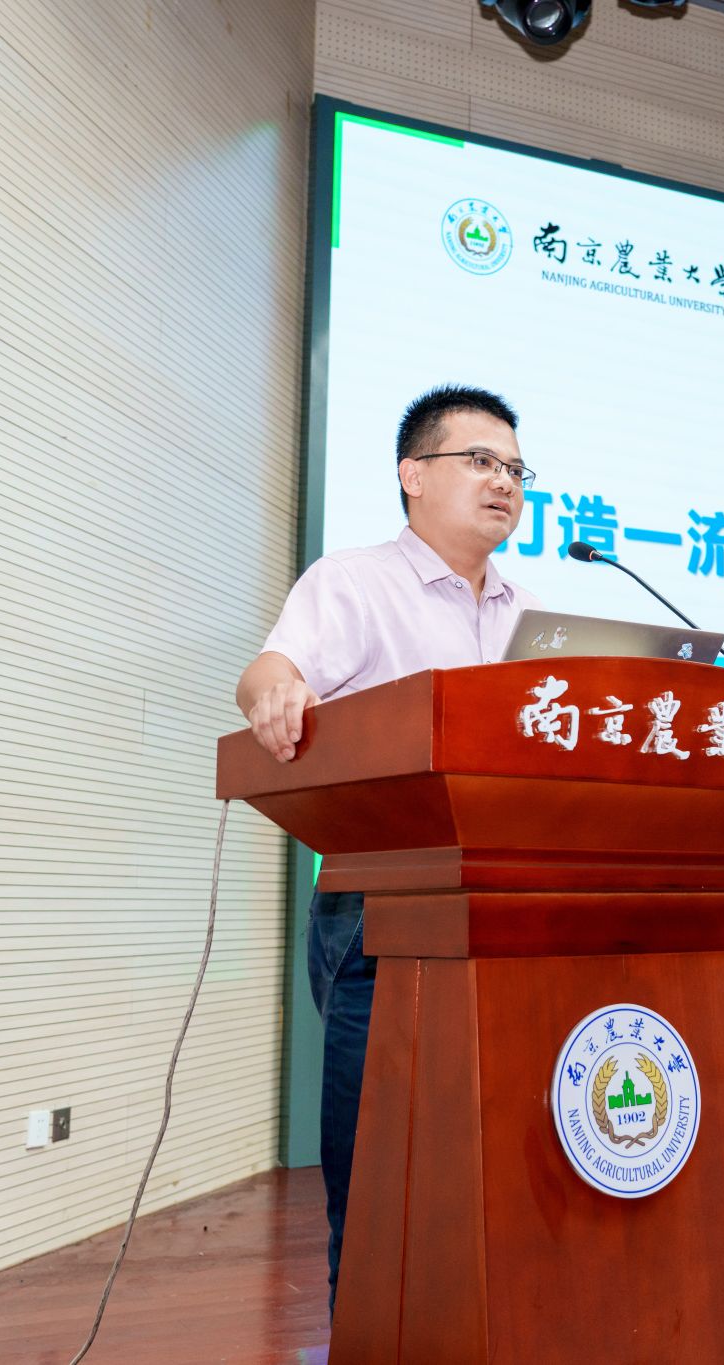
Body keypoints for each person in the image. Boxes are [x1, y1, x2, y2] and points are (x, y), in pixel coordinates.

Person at [235, 384, 542, 1307]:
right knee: (383, 1180)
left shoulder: (531, 617)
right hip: (382, 914)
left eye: (516, 468)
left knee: (492, 1172)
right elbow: (272, 669)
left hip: (509, 914)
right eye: (480, 461)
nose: (503, 481)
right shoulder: (355, 582)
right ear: (413, 474)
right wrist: (277, 692)